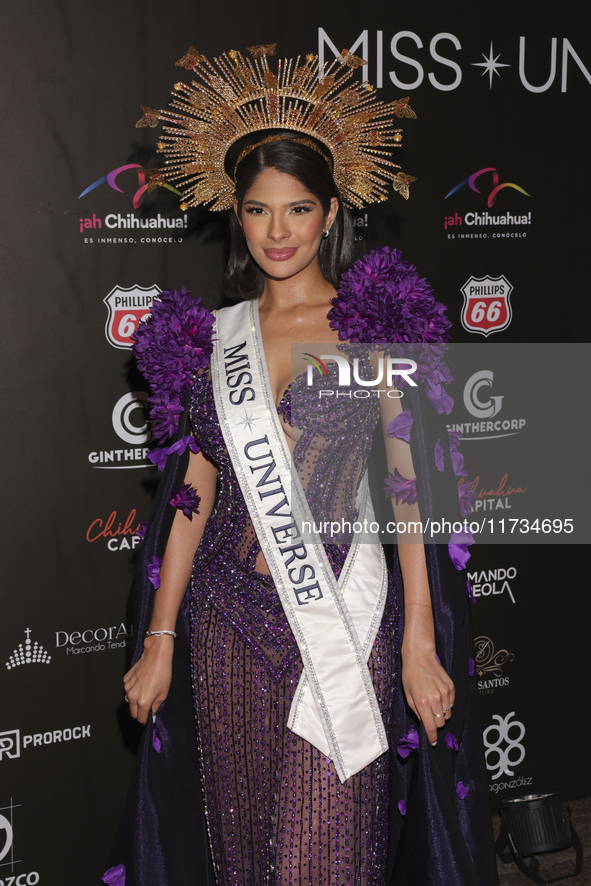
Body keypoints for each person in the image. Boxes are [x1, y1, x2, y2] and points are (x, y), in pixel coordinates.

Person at [103, 45, 499, 886]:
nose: (277, 232)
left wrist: (419, 641)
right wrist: (161, 636)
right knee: (240, 858)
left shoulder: (371, 322)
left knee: (322, 858)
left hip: (347, 626)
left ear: (329, 213)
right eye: (257, 210)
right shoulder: (208, 340)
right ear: (235, 215)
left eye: (297, 209)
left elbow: (409, 490)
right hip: (222, 626)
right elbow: (193, 494)